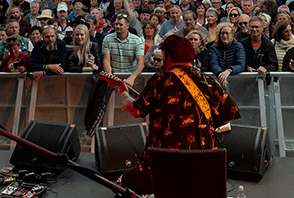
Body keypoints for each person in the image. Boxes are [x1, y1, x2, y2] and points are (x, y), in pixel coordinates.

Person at [118, 35, 240, 195]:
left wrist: (123, 92)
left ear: (168, 55)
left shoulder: (160, 80)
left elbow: (136, 110)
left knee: (125, 180)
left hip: (163, 166)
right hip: (204, 167)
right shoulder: (207, 80)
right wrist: (205, 127)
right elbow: (229, 111)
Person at [101, 13, 145, 87]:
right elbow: (106, 61)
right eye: (116, 24)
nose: (118, 26)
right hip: (114, 75)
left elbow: (140, 63)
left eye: (120, 25)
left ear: (127, 26)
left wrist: (132, 78)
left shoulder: (137, 40)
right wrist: (110, 77)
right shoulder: (107, 39)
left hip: (131, 76)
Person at [209, 23, 246, 87]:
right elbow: (213, 64)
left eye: (227, 33)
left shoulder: (238, 46)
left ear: (232, 35)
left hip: (236, 80)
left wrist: (229, 71)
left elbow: (241, 65)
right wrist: (221, 75)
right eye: (222, 33)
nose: (224, 36)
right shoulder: (214, 47)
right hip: (218, 80)